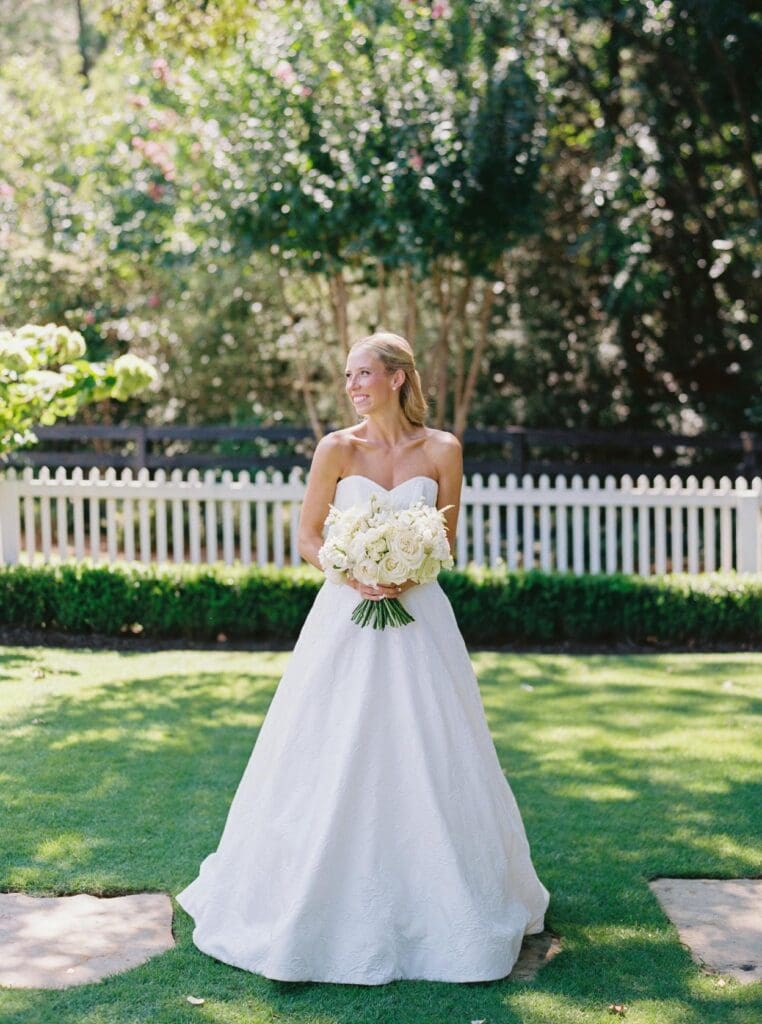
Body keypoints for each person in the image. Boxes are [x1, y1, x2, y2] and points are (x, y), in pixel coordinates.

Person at [175, 331, 550, 984]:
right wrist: (349, 570)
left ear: (397, 378)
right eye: (348, 375)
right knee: (328, 743)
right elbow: (306, 535)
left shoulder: (442, 450)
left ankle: (451, 897)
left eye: (364, 373)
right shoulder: (336, 449)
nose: (352, 385)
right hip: (345, 617)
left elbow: (446, 538)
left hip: (421, 622)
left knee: (434, 747)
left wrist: (408, 570)